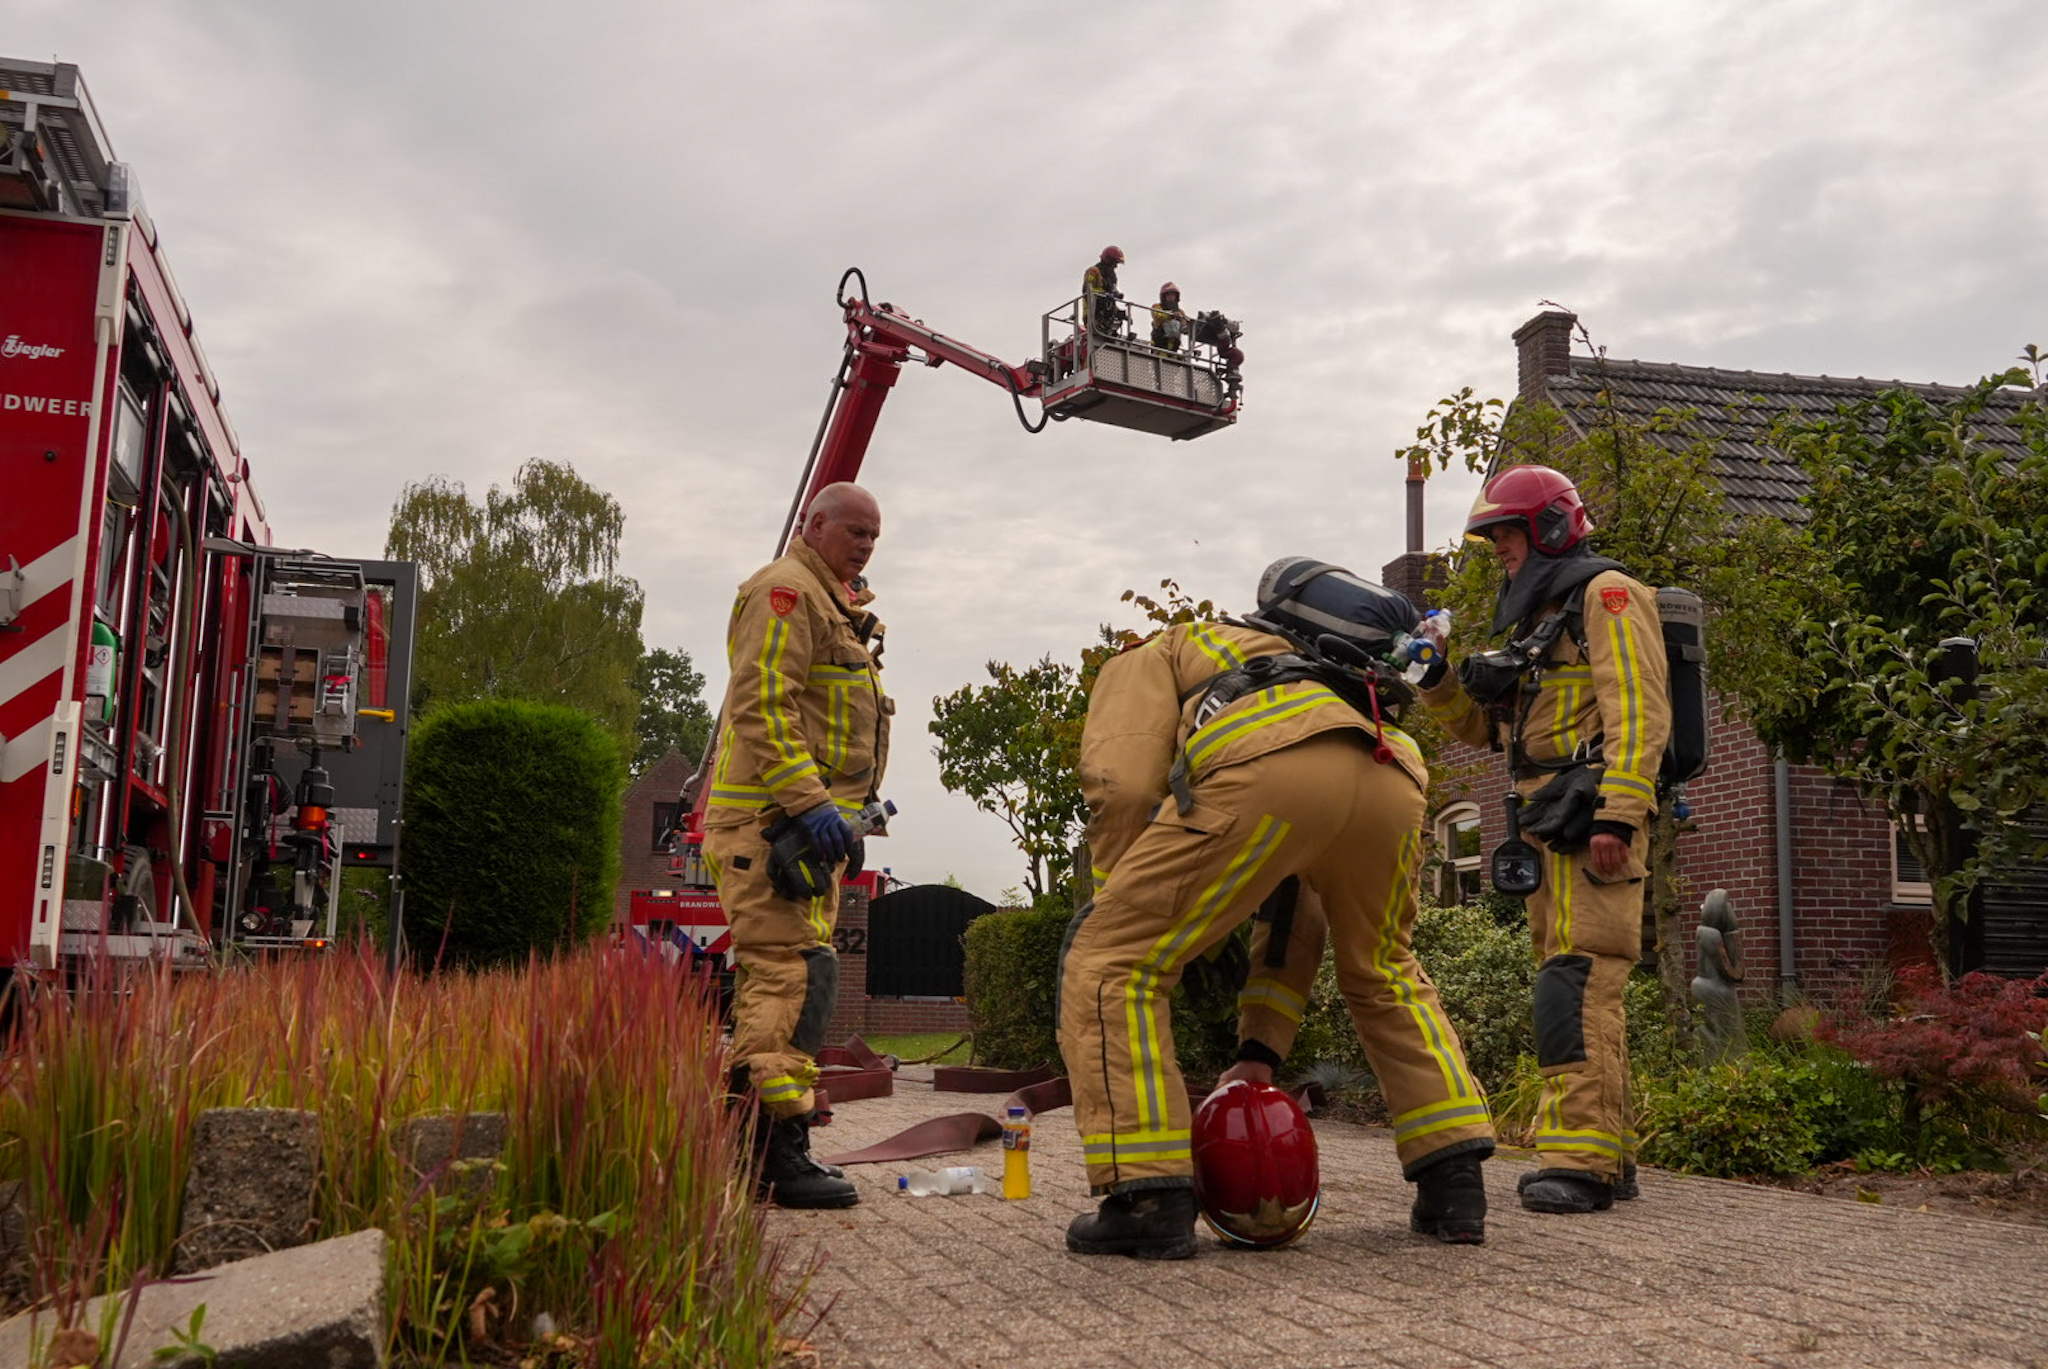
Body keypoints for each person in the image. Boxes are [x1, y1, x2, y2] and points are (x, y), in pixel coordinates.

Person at [1059, 560, 1495, 1259]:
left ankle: (1146, 1197)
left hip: (1269, 765)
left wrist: (1123, 895)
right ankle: (1454, 1186)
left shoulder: (1166, 646)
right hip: (1389, 773)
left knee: (1111, 961)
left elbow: (1123, 779)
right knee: (1382, 967)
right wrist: (1259, 1053)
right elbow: (1295, 902)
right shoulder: (1331, 674)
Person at [1417, 464, 1670, 1214]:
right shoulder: (1542, 623)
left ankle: (1580, 1161)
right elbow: (1490, 733)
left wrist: (1619, 816)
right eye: (1496, 543)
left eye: (1508, 540)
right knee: (1573, 980)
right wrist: (1435, 680)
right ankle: (1608, 1153)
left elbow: (1641, 713)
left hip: (1591, 821)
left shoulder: (1607, 597)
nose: (1502, 555)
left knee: (1578, 980)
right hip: (1551, 820)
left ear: (1552, 529)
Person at [703, 481, 891, 1209]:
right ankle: (772, 1158)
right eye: (855, 530)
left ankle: (769, 1146)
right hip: (771, 826)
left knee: (805, 978)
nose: (867, 544)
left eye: (874, 535)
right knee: (785, 978)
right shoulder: (787, 592)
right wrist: (814, 807)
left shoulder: (837, 608)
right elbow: (763, 703)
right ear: (814, 526)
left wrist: (849, 823)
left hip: (805, 832)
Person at [1083, 245, 1127, 336]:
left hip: (1106, 312)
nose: (1115, 266)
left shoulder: (1112, 277)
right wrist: (1103, 294)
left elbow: (1112, 293)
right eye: (1115, 263)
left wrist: (1119, 312)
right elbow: (1087, 291)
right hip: (1093, 312)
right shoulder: (1093, 272)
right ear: (1108, 260)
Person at [1150, 281, 1187, 351]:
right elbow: (1157, 316)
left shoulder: (1181, 312)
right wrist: (1171, 314)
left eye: (1173, 295)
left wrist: (1187, 323)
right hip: (1160, 341)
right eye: (1169, 295)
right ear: (1164, 297)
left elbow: (1185, 323)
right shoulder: (1156, 306)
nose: (1171, 297)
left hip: (1175, 344)